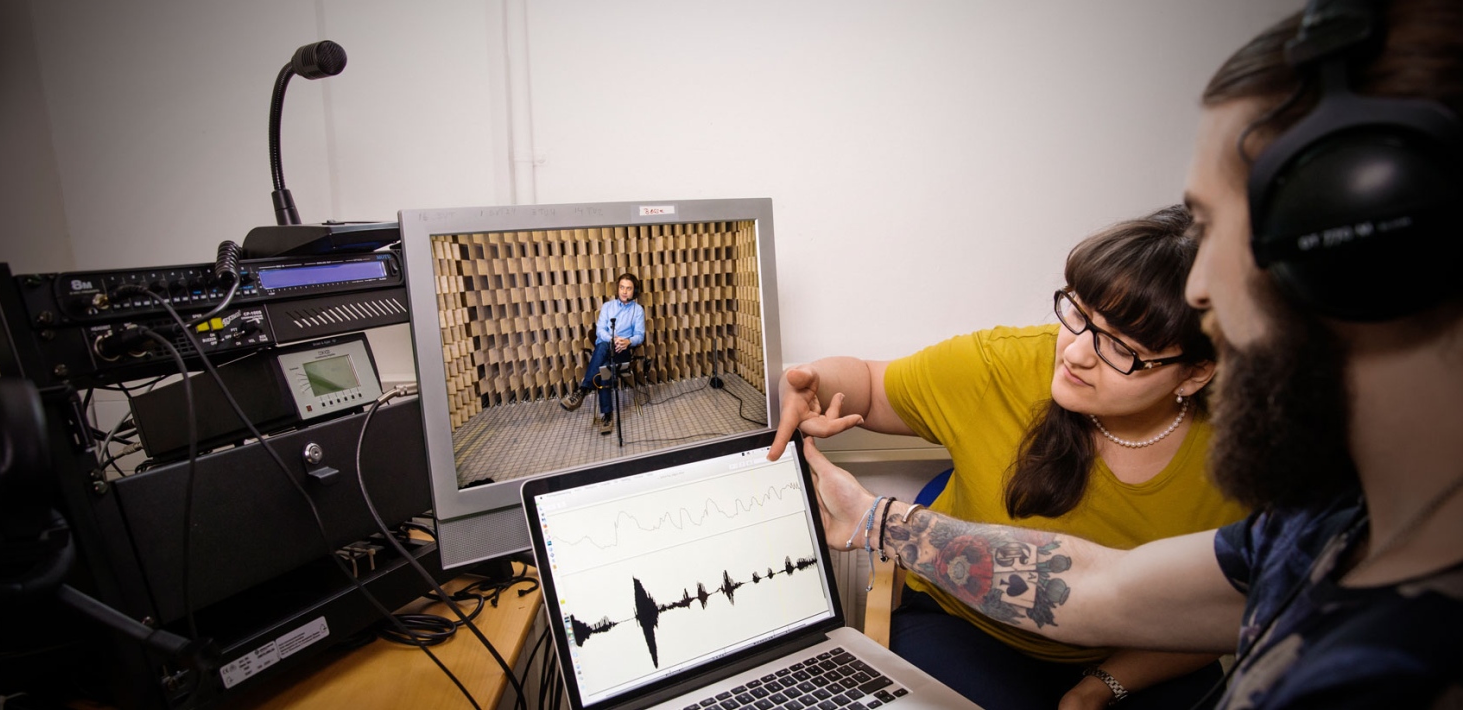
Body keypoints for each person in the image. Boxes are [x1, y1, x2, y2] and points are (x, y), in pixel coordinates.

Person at [794, 1, 1463, 707]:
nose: (1200, 288)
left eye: (1214, 228)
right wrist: (875, 521)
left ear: (1360, 242)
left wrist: (1101, 684)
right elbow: (1093, 586)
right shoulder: (1322, 532)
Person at [769, 207, 1249, 710]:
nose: (1077, 353)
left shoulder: (1250, 453)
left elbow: (1216, 614)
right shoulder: (1002, 366)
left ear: (1195, 374)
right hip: (968, 628)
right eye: (1080, 315)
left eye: (1120, 348)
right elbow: (867, 384)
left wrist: (1102, 686)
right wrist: (812, 387)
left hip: (1140, 651)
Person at [560, 273, 646, 432]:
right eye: (622, 287)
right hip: (607, 348)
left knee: (602, 349)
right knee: (604, 366)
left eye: (628, 288)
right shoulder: (608, 307)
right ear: (618, 288)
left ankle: (583, 390)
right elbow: (600, 331)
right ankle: (607, 416)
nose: (624, 292)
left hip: (623, 353)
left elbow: (640, 335)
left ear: (635, 291)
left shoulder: (638, 310)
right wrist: (613, 339)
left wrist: (628, 341)